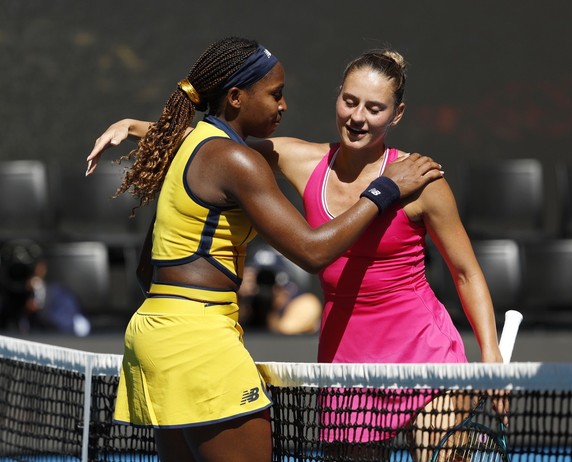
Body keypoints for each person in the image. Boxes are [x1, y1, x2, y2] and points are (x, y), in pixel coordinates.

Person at [86, 37, 443, 462]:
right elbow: (312, 253)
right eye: (275, 94)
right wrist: (384, 190)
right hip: (199, 344)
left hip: (153, 335)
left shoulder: (194, 144)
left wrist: (135, 125)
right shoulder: (238, 161)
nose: (283, 105)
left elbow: (148, 270)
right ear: (236, 98)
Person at [0, 239, 91, 336]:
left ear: (41, 268)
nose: (24, 277)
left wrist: (41, 310)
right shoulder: (5, 299)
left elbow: (73, 326)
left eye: (27, 271)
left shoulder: (60, 295)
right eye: (16, 273)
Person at [238, 242, 322, 334]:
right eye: (259, 278)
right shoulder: (244, 301)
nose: (264, 283)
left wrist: (272, 308)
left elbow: (285, 332)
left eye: (271, 278)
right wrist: (238, 296)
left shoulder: (304, 303)